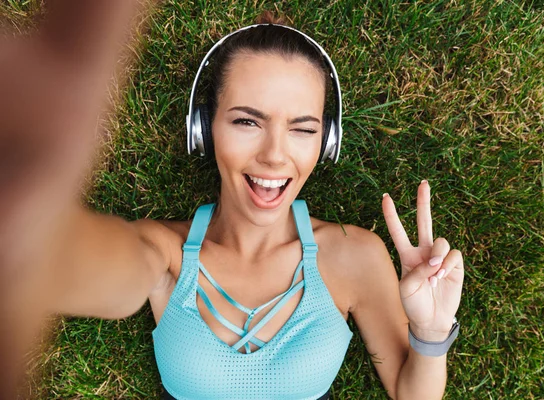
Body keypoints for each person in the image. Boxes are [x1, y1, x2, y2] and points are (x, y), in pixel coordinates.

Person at [1, 4, 464, 399]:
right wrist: (26, 220)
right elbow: (77, 269)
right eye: (247, 122)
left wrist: (430, 330)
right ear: (203, 130)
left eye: (302, 129)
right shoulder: (163, 254)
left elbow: (411, 392)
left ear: (327, 142)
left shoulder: (355, 255)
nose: (275, 155)